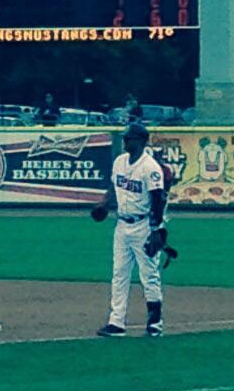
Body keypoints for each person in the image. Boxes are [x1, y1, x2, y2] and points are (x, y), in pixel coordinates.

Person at [92, 122, 166, 338]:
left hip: (144, 226)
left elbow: (158, 199)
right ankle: (116, 323)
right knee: (119, 274)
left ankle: (155, 324)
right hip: (122, 226)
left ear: (142, 141)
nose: (125, 141)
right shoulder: (120, 162)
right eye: (125, 138)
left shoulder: (150, 167)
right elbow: (115, 187)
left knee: (149, 276)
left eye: (130, 138)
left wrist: (156, 230)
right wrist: (103, 205)